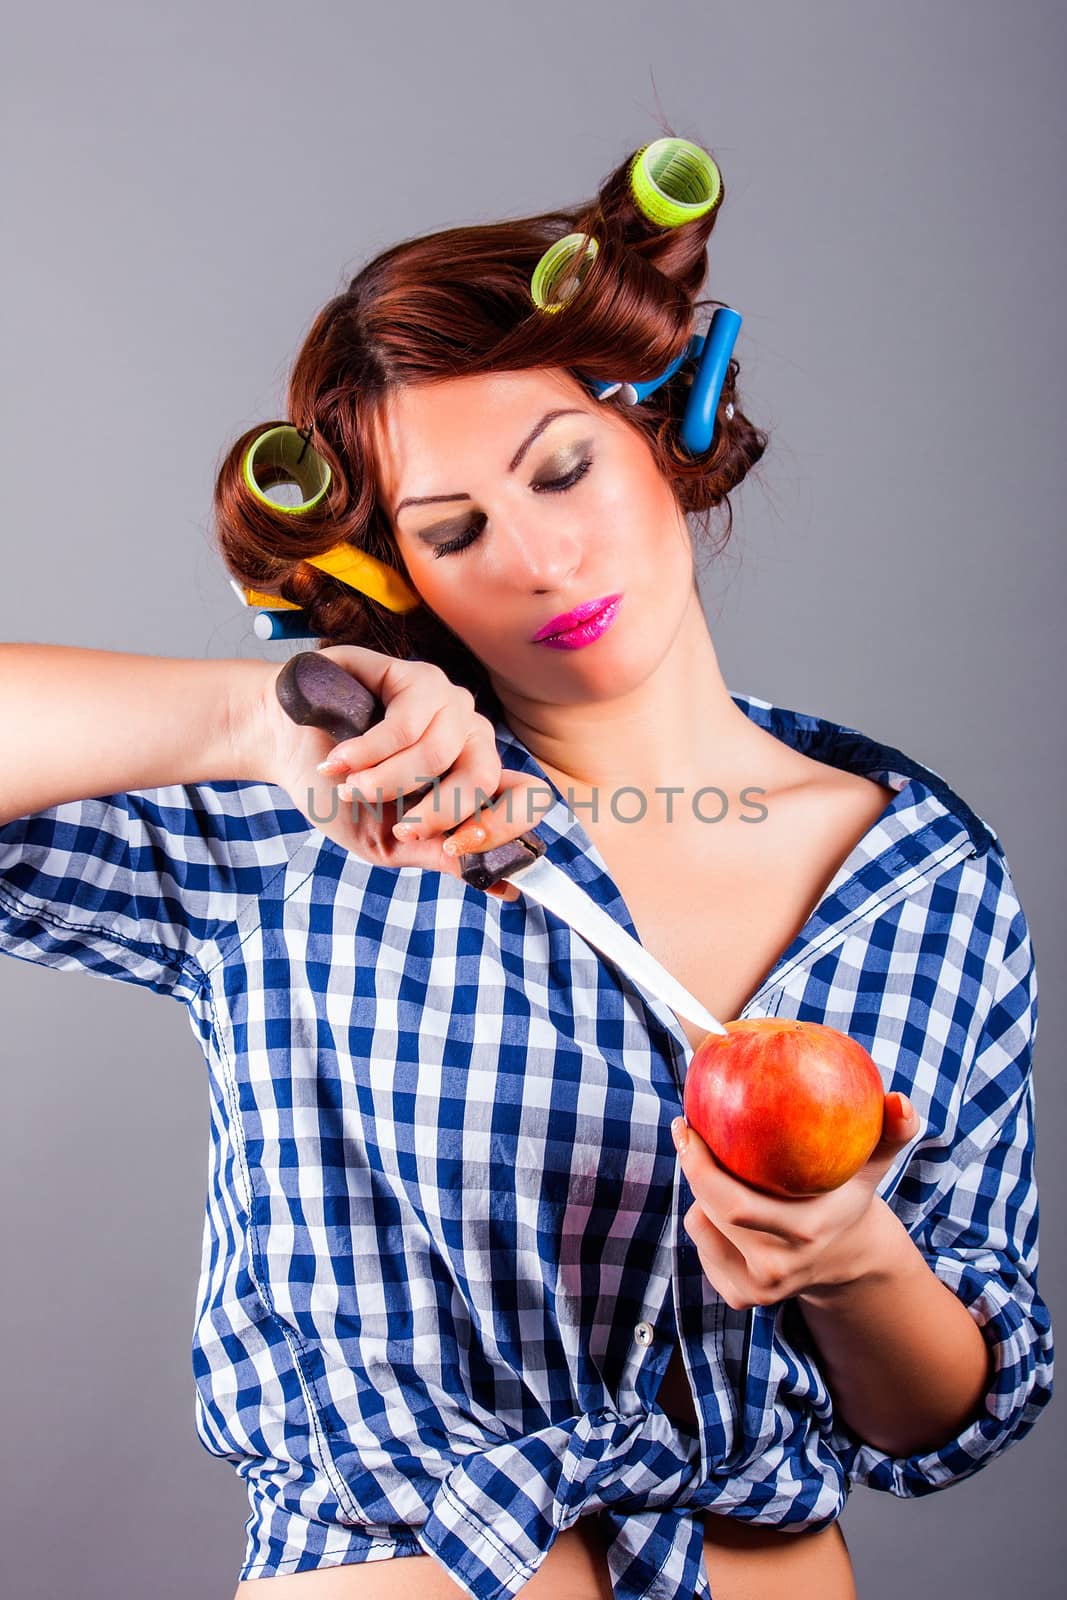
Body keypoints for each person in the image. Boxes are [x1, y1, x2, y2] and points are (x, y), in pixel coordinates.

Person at [0, 135, 1053, 1600]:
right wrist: (250, 717)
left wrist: (853, 1254)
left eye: (563, 470)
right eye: (456, 532)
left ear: (664, 439)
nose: (543, 560)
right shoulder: (318, 821)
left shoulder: (923, 875)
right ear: (400, 579)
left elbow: (941, 1418)